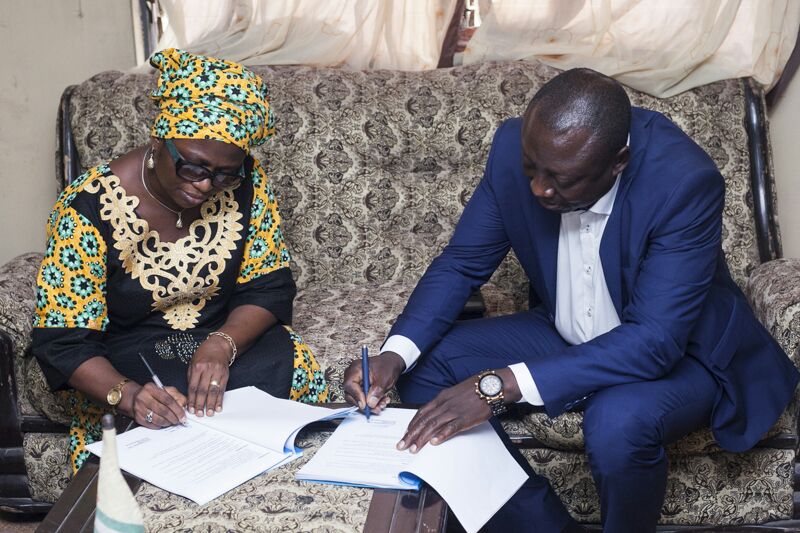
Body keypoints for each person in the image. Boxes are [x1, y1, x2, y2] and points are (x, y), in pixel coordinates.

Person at [343, 68, 799, 532]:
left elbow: (655, 341)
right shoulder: (512, 150)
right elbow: (462, 263)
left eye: (561, 179)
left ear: (617, 161)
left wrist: (501, 384)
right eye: (532, 169)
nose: (540, 188)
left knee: (617, 423)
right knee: (427, 367)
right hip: (566, 333)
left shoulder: (683, 182)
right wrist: (393, 355)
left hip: (683, 354)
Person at [32, 48, 328, 473]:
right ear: (158, 139)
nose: (207, 186)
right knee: (148, 437)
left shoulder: (246, 185)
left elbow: (269, 287)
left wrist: (220, 345)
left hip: (221, 337)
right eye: (194, 167)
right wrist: (130, 395)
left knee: (290, 382)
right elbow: (63, 341)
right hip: (128, 358)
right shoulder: (86, 210)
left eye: (226, 173)